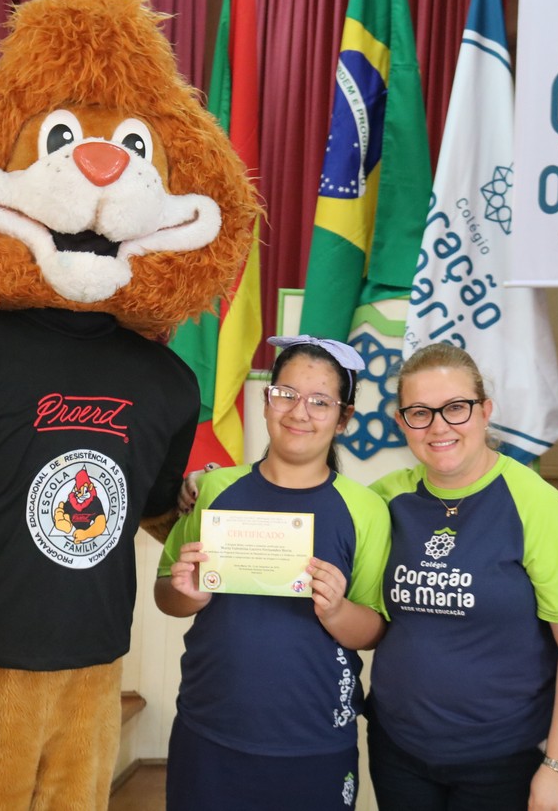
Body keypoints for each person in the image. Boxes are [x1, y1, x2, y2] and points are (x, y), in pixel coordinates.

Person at [156, 334, 391, 811]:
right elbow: (167, 594)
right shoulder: (215, 489)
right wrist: (188, 593)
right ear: (266, 400)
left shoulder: (365, 510)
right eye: (286, 394)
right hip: (209, 729)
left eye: (320, 402)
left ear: (343, 418)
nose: (299, 412)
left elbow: (373, 630)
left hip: (314, 738)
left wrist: (337, 610)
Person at [367, 342, 558, 811]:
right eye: (420, 413)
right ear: (401, 422)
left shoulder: (538, 506)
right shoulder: (383, 500)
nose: (439, 426)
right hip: (398, 748)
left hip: (502, 759)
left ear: (485, 411)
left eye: (456, 407)